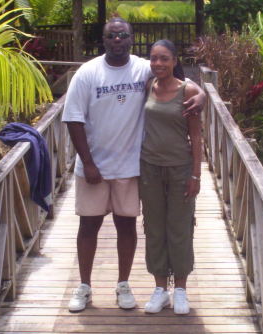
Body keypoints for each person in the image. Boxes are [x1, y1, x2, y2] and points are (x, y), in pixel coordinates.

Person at [61, 18, 205, 313]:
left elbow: (174, 77)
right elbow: (73, 118)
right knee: (88, 226)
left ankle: (123, 284)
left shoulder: (143, 67)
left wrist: (201, 93)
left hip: (130, 167)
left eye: (123, 35)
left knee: (126, 226)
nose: (117, 40)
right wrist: (88, 162)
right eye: (111, 36)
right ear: (104, 40)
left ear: (130, 39)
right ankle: (85, 286)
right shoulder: (88, 73)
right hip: (94, 168)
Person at [140, 40, 202, 315]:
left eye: (164, 58)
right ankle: (159, 289)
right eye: (154, 59)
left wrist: (196, 175)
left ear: (175, 60)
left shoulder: (187, 91)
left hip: (180, 168)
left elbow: (197, 136)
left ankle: (180, 290)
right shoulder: (148, 86)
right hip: (150, 167)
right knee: (154, 228)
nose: (158, 64)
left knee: (180, 228)